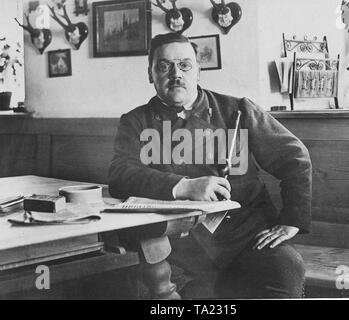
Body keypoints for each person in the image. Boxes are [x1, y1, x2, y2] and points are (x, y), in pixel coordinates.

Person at [108, 32, 312, 299]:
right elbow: (120, 175)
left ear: (198, 71)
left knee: (286, 267)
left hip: (247, 238)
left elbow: (294, 158)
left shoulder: (238, 111)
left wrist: (292, 220)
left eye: (185, 65)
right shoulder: (135, 121)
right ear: (150, 74)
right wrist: (184, 186)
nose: (175, 74)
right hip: (178, 247)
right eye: (164, 66)